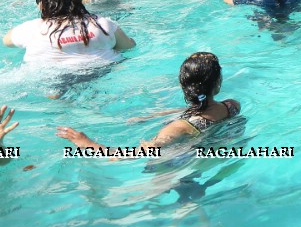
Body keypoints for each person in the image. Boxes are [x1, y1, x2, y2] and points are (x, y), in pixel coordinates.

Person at [57, 52, 241, 154]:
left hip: (175, 170)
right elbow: (200, 113)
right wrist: (154, 116)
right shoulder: (232, 106)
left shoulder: (176, 128)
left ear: (182, 85)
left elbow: (136, 155)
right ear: (218, 84)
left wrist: (86, 143)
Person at [3, 0, 135, 66]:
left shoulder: (33, 28)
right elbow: (128, 47)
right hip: (103, 70)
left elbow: (7, 41)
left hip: (49, 74)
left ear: (44, 5)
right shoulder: (102, 23)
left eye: (39, 0)